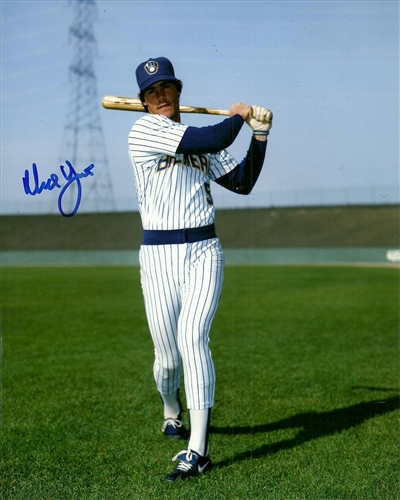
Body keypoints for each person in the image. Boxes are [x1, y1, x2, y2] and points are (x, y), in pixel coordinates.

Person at [128, 56, 273, 482]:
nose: (161, 96)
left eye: (167, 88)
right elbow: (212, 138)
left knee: (193, 338)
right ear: (143, 101)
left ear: (178, 91)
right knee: (167, 359)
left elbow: (243, 181)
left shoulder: (195, 140)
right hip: (157, 257)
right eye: (152, 92)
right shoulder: (143, 132)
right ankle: (171, 408)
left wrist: (260, 135)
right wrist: (239, 117)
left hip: (204, 249)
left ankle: (198, 450)